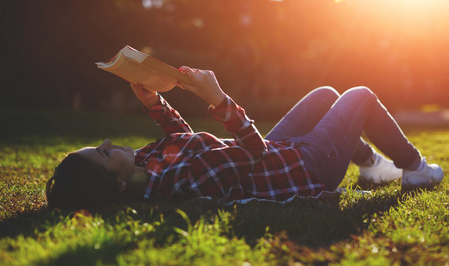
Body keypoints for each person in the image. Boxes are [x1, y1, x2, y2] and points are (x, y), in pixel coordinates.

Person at [46, 66, 444, 210]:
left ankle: (371, 165)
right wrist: (218, 99)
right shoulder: (186, 182)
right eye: (103, 154)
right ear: (116, 182)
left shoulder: (147, 165)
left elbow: (182, 137)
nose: (109, 144)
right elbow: (252, 149)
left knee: (325, 96)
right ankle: (415, 169)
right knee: (359, 96)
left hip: (280, 152)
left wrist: (153, 103)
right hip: (306, 168)